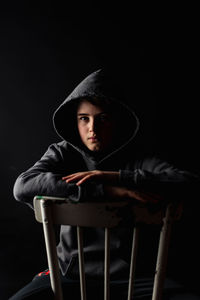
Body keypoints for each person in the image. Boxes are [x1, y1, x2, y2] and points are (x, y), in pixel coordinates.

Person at [10, 69, 200, 299]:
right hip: (69, 275)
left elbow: (189, 183)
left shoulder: (138, 156)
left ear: (117, 120)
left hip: (133, 277)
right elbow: (23, 186)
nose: (93, 128)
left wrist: (116, 176)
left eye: (103, 118)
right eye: (84, 119)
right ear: (75, 121)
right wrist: (105, 190)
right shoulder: (63, 153)